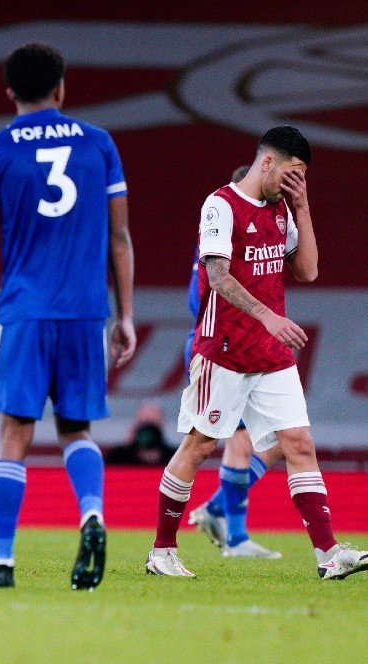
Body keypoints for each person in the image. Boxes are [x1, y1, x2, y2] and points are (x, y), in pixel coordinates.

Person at [0, 43, 136, 590]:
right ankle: (93, 513)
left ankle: (2, 563)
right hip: (85, 310)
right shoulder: (100, 145)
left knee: (15, 432)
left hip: (27, 310)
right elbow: (119, 237)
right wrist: (125, 315)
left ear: (9, 91)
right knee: (77, 429)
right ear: (62, 86)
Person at [146, 126, 368, 580]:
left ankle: (328, 554)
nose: (294, 184)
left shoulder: (283, 210)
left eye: (302, 178)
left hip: (272, 355)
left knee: (299, 445)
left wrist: (303, 208)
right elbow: (218, 277)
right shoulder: (220, 205)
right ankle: (162, 551)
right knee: (200, 446)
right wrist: (267, 316)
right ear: (267, 162)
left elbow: (307, 270)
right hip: (223, 350)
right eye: (292, 174)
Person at [184, 165, 281, 559]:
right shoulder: (220, 234)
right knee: (224, 443)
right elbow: (196, 298)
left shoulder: (259, 239)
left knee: (273, 441)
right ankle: (228, 530)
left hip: (247, 348)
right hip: (220, 349)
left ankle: (224, 519)